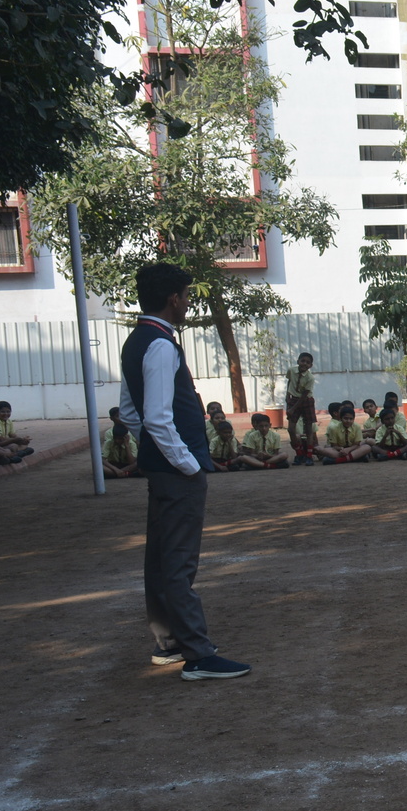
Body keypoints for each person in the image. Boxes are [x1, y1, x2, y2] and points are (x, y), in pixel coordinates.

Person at [119, 263, 249, 680]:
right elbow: (157, 417)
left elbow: (130, 413)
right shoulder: (160, 344)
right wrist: (186, 463)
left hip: (162, 468)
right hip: (177, 472)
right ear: (173, 298)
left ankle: (170, 641)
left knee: (160, 558)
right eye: (187, 295)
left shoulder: (136, 341)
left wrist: (157, 455)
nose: (189, 302)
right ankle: (197, 653)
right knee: (178, 561)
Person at [284, 352, 318, 460]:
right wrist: (287, 395)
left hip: (306, 400)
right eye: (303, 361)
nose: (304, 364)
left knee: (308, 429)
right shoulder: (291, 370)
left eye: (308, 362)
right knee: (291, 429)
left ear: (311, 365)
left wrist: (293, 408)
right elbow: (289, 381)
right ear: (298, 361)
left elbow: (305, 394)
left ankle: (309, 455)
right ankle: (299, 453)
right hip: (293, 399)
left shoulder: (310, 378)